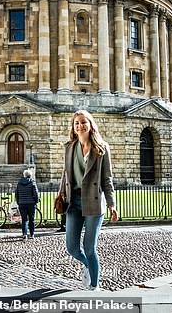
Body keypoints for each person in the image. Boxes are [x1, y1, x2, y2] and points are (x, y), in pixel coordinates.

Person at [62, 110, 118, 291]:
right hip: (73, 201)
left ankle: (94, 286)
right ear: (73, 127)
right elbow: (66, 175)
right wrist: (61, 194)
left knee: (89, 248)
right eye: (76, 123)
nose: (80, 126)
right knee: (71, 247)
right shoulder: (69, 147)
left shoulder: (101, 148)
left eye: (83, 122)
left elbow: (107, 179)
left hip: (94, 201)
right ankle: (88, 265)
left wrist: (112, 204)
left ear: (90, 124)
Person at [15, 169, 40, 240]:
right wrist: (37, 200)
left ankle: (24, 234)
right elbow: (36, 193)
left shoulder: (19, 183)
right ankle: (32, 234)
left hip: (22, 203)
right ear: (30, 175)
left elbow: (16, 194)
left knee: (24, 220)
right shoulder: (32, 182)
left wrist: (18, 202)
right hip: (31, 204)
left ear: (24, 175)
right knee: (31, 219)